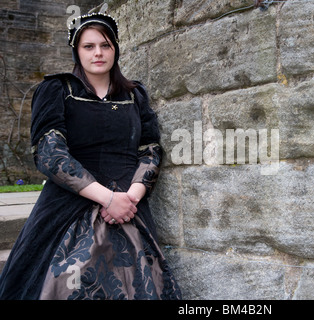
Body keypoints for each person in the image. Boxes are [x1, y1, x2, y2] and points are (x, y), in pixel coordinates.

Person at [0, 12, 181, 300]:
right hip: (69, 205)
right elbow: (50, 153)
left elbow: (150, 148)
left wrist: (129, 198)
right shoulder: (57, 90)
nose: (98, 53)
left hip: (130, 205)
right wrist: (107, 199)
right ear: (77, 50)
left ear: (116, 49)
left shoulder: (135, 95)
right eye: (89, 46)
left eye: (105, 45)